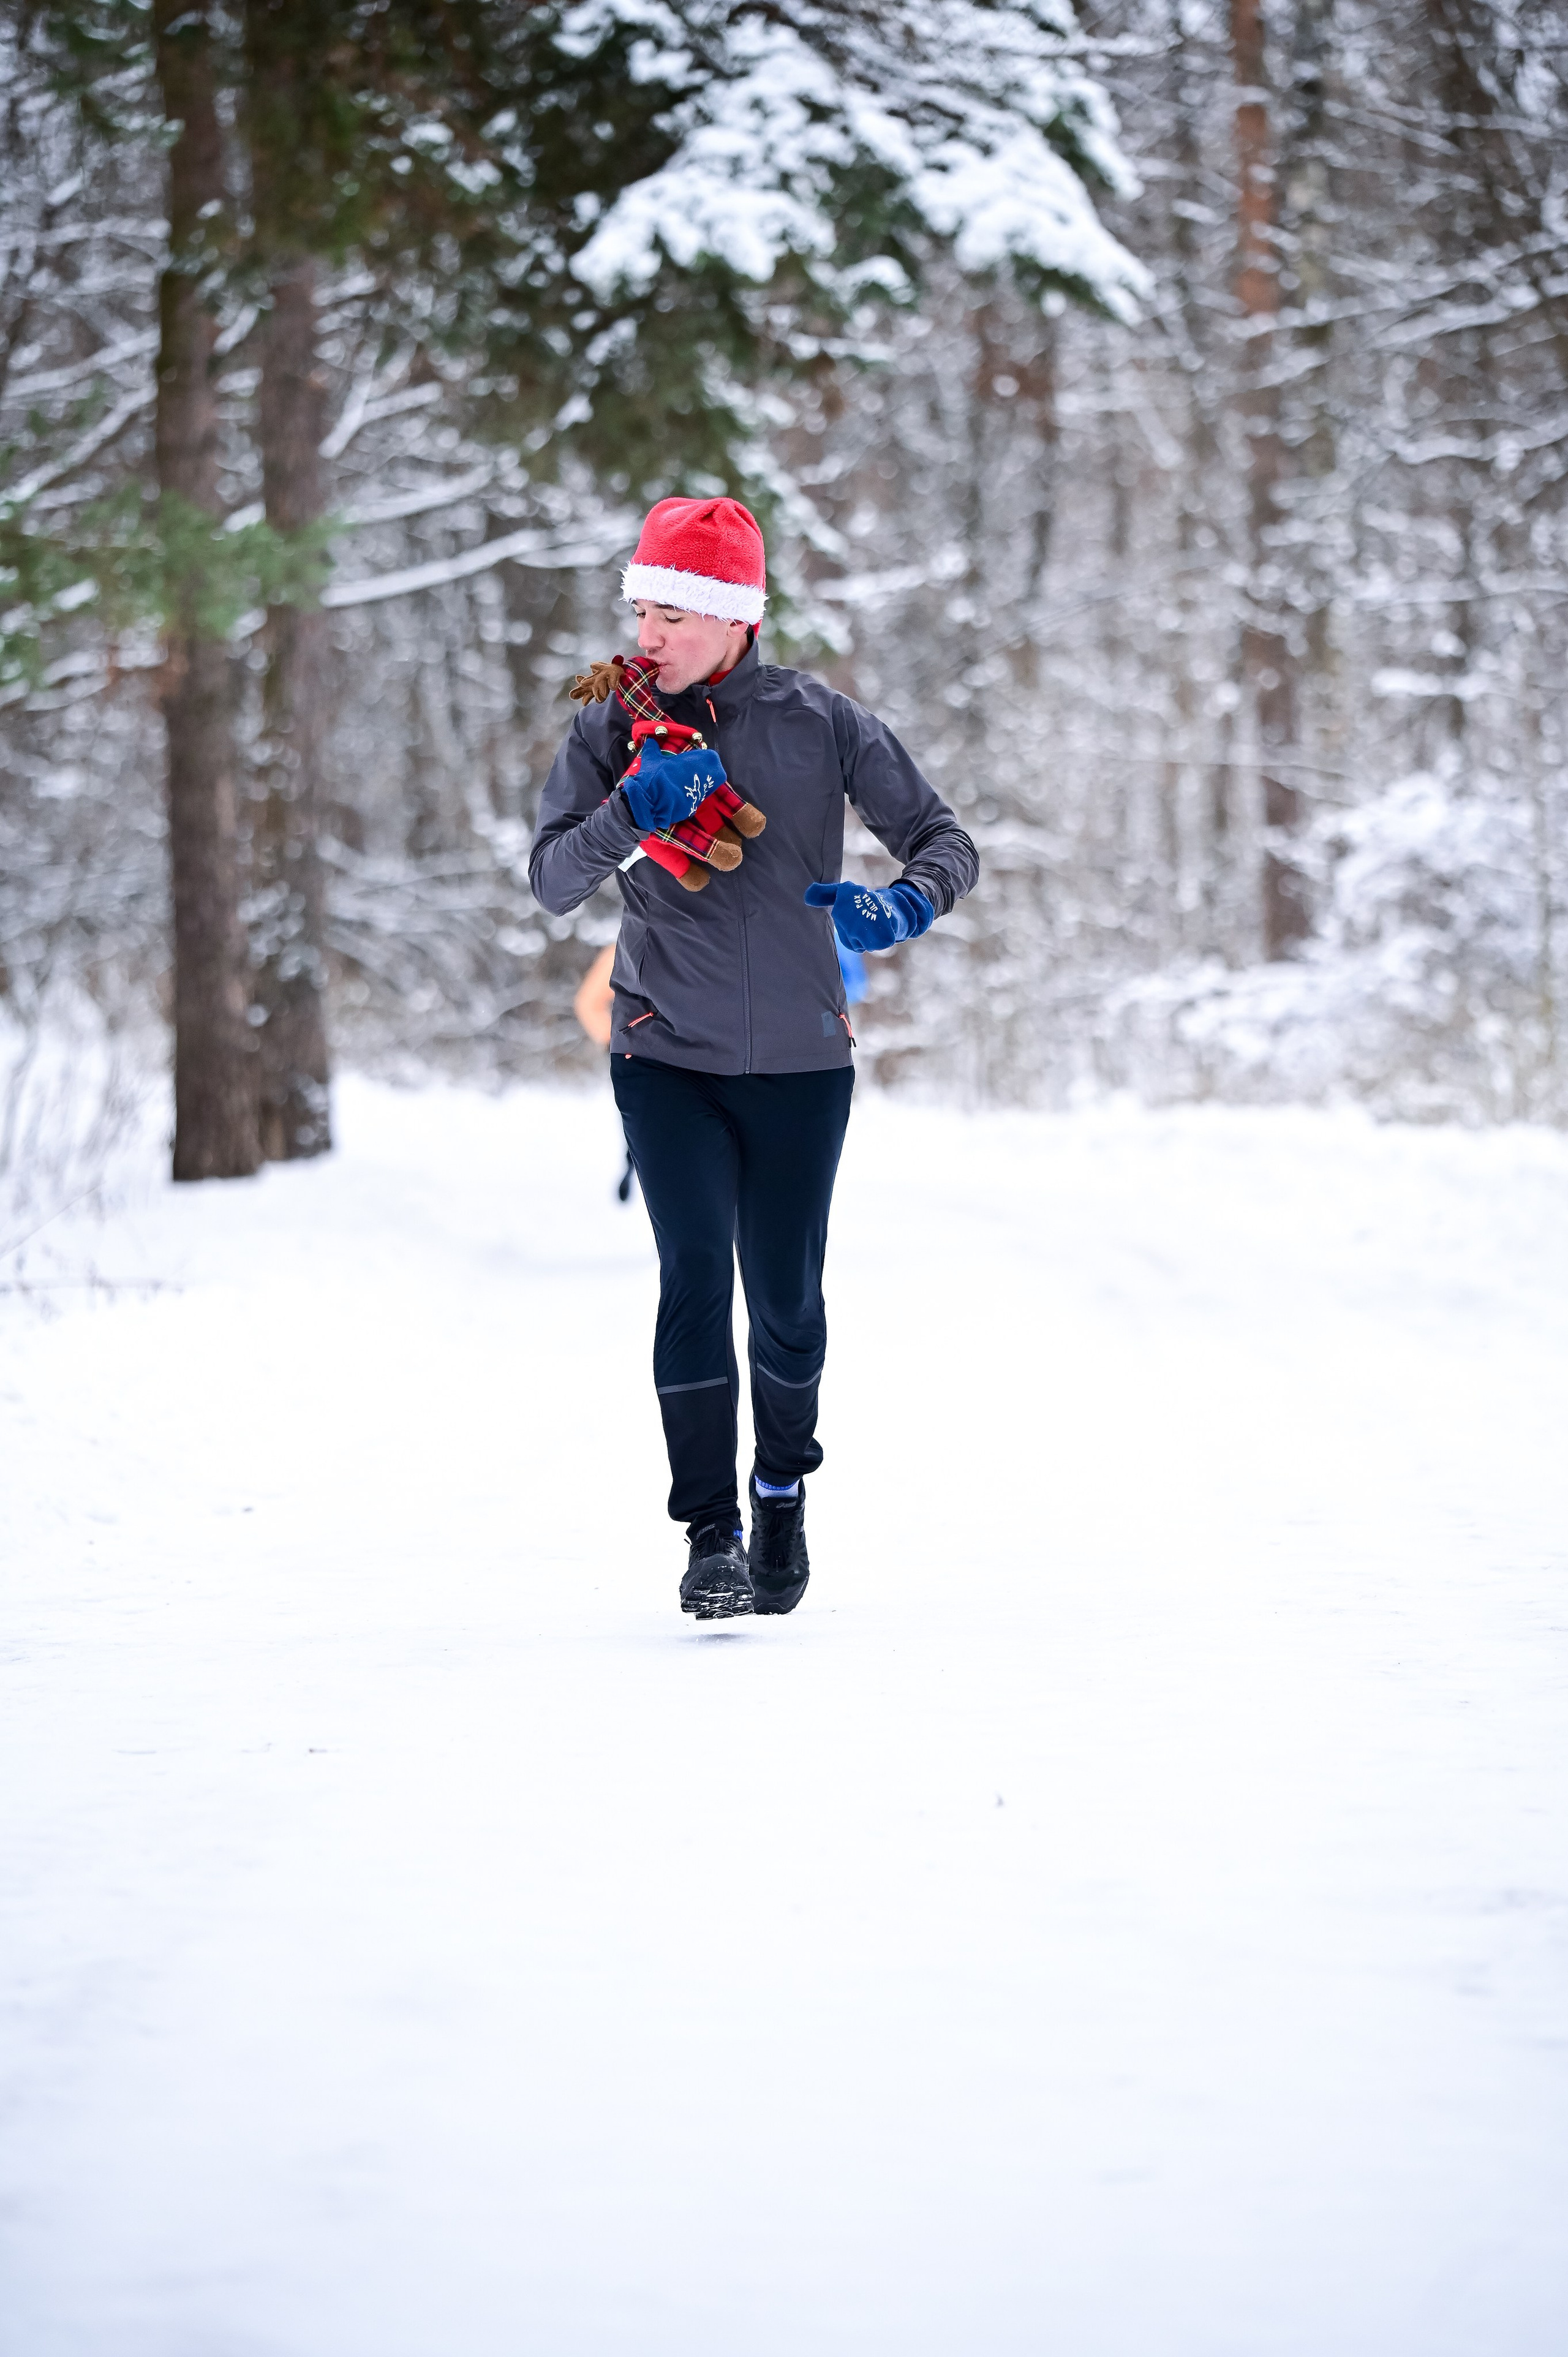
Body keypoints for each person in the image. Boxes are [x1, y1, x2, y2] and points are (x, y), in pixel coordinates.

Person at [530, 496, 976, 1619]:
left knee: (785, 1303)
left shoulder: (818, 722)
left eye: (672, 613)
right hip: (662, 1053)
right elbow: (549, 881)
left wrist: (903, 906)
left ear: (733, 619)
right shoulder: (609, 727)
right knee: (694, 1275)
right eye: (640, 609)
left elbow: (945, 839)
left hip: (800, 1063)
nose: (648, 635)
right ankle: (711, 1535)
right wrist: (627, 812)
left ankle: (781, 1491)